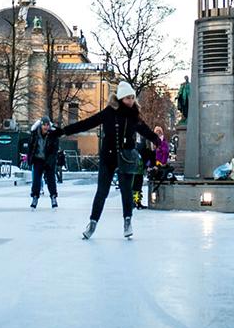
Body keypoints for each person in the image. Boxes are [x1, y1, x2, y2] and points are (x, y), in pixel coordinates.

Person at [52, 81, 157, 240]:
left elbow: (146, 130)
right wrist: (63, 131)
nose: (131, 101)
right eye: (128, 98)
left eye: (132, 98)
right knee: (102, 191)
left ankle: (127, 222)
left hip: (126, 157)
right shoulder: (109, 113)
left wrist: (158, 141)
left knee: (126, 190)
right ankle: (92, 223)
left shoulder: (134, 115)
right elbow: (87, 123)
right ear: (121, 98)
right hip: (108, 157)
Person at [27, 116, 59, 209]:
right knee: (36, 180)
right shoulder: (35, 134)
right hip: (38, 160)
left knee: (51, 180)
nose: (46, 127)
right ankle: (35, 197)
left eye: (47, 125)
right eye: (44, 125)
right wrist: (30, 158)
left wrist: (51, 160)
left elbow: (54, 150)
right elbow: (31, 147)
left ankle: (53, 197)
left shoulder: (53, 135)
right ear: (41, 125)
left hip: (48, 160)